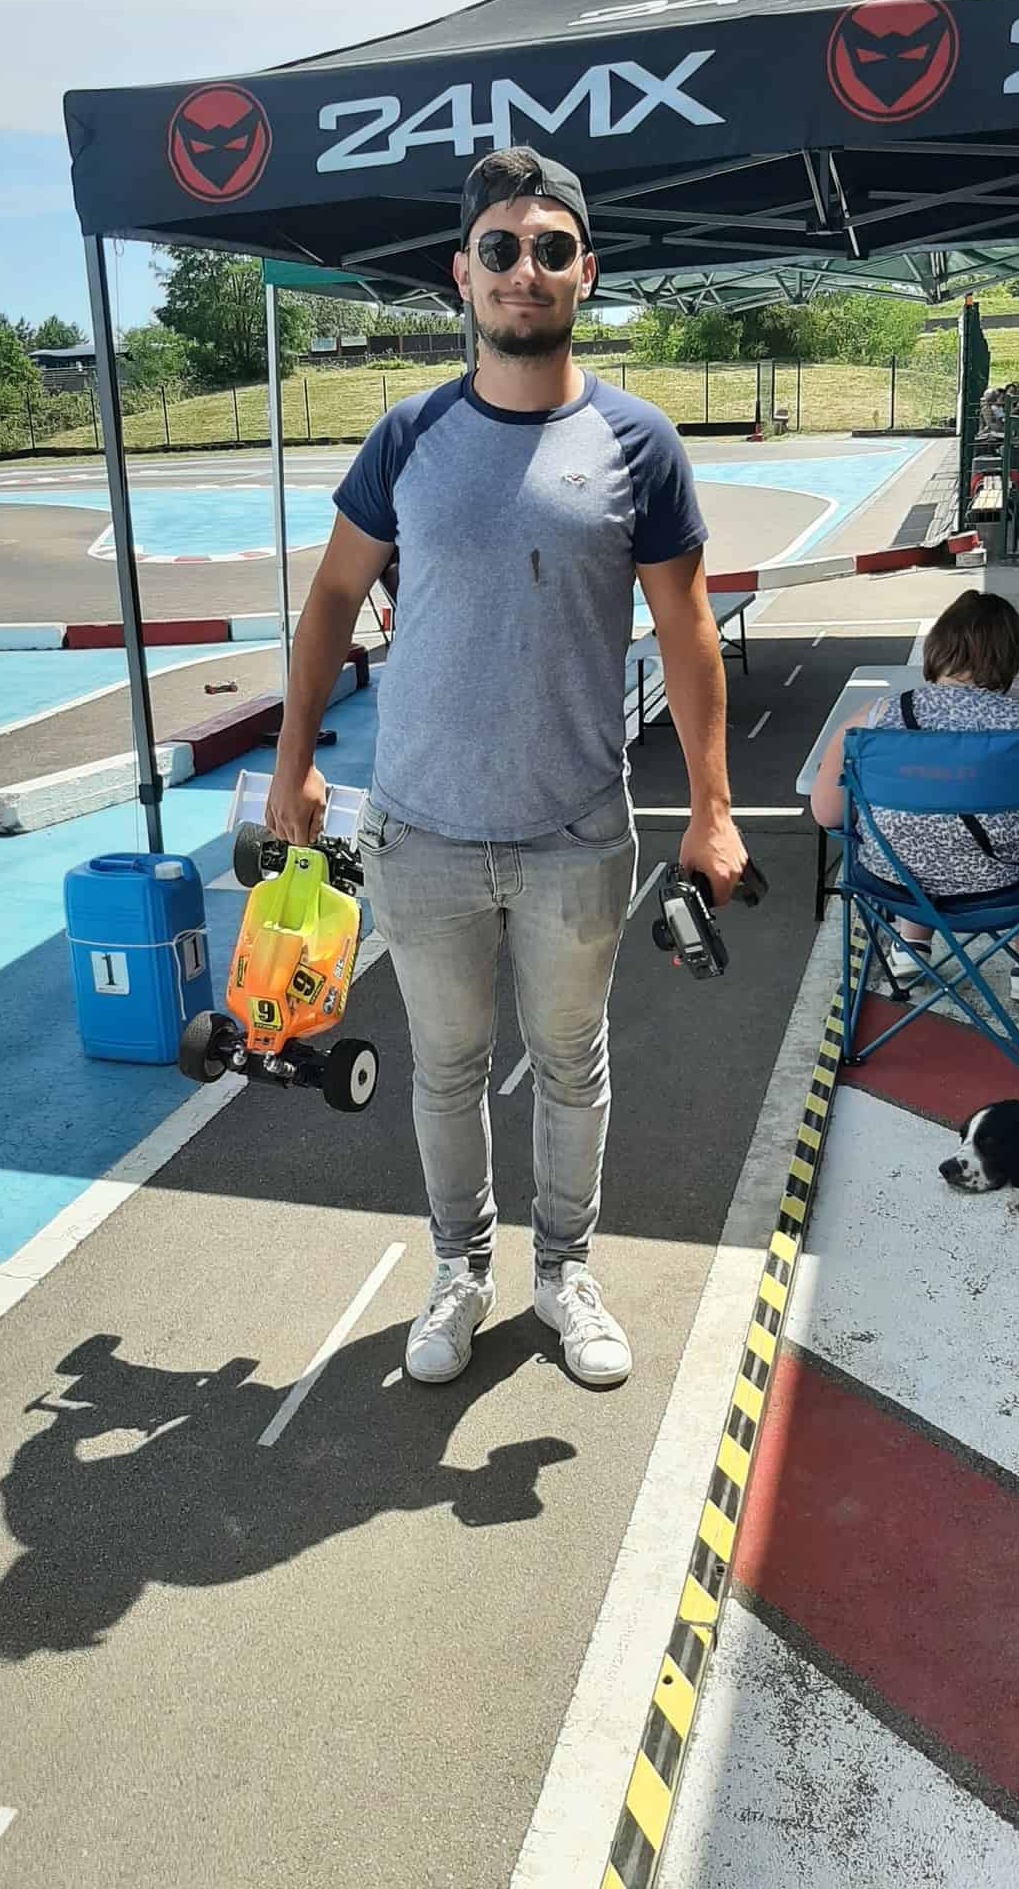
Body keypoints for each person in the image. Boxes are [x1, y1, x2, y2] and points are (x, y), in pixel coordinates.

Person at [264, 146, 748, 1390]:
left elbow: (688, 630)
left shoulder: (639, 443)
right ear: (462, 274)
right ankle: (460, 1268)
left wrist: (711, 806)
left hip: (576, 833)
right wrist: (293, 764)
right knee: (448, 1068)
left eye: (549, 248)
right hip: (420, 832)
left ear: (587, 270)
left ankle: (565, 1271)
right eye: (500, 249)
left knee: (573, 1063)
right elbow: (331, 599)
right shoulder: (407, 436)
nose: (523, 269)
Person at [810, 594, 1019, 1003]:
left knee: (914, 836)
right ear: (1012, 657)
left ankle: (910, 946)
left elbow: (827, 813)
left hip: (893, 888)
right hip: (1007, 891)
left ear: (937, 648)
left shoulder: (872, 720)